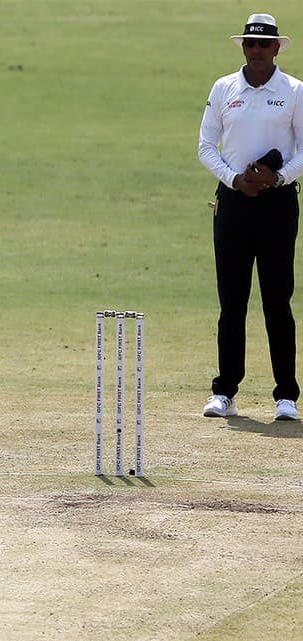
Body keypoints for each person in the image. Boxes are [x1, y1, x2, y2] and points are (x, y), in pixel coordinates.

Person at [198, 12, 303, 422]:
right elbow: (207, 146)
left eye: (263, 44)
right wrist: (235, 179)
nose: (255, 51)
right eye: (249, 44)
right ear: (243, 47)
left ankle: (286, 396)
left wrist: (277, 177)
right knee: (232, 303)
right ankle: (226, 391)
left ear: (277, 47)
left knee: (278, 301)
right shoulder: (225, 87)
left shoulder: (294, 90)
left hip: (278, 205)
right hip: (234, 203)